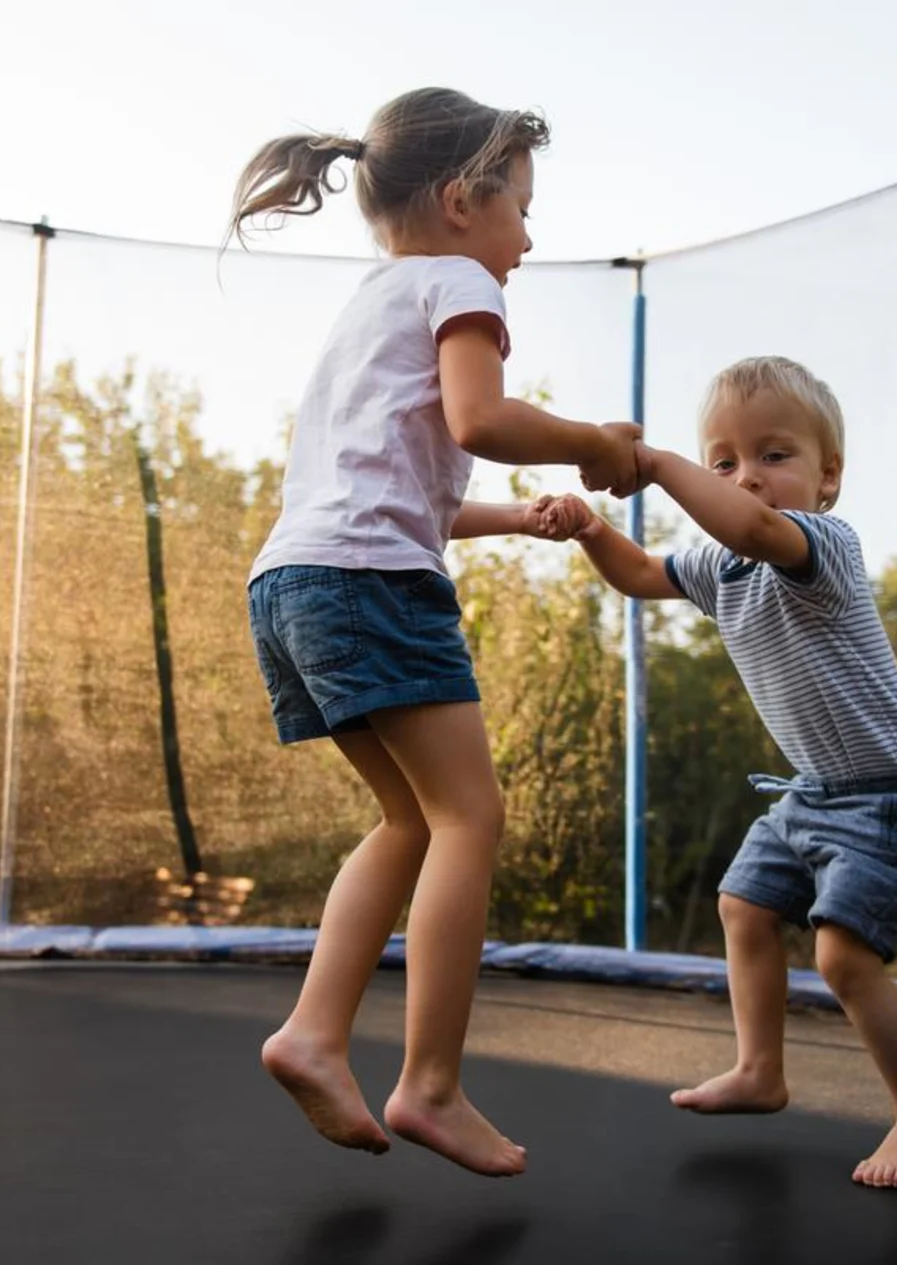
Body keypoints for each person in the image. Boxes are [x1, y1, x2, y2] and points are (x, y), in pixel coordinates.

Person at [231, 87, 641, 1178]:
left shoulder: (369, 306)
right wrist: (592, 444)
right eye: (520, 206)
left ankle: (314, 1033)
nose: (528, 236)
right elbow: (481, 420)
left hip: (293, 580)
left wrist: (522, 515)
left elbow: (415, 487)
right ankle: (430, 1082)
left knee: (409, 819)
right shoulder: (460, 282)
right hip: (369, 582)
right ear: (463, 200)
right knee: (470, 815)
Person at [535, 356, 897, 1188]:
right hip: (811, 793)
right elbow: (638, 575)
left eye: (774, 455)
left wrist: (658, 463)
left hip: (891, 797)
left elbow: (754, 529)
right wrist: (591, 529)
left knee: (842, 959)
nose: (746, 478)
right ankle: (760, 1072)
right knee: (743, 905)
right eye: (723, 460)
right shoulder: (715, 567)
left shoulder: (822, 544)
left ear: (827, 475)